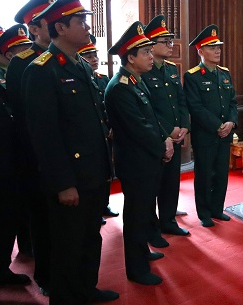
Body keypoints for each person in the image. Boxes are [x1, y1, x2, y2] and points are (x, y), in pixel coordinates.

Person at [23, 0, 118, 303]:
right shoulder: (42, 70)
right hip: (71, 178)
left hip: (93, 172)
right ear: (60, 28)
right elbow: (45, 135)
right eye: (80, 22)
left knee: (91, 237)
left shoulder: (79, 65)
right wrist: (63, 183)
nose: (87, 27)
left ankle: (86, 290)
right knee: (67, 244)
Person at [104, 21, 174, 286]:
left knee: (144, 212)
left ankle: (142, 252)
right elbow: (139, 129)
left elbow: (151, 119)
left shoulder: (135, 81)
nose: (150, 56)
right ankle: (136, 269)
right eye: (145, 52)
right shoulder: (120, 87)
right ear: (130, 57)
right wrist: (162, 147)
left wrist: (166, 139)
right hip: (136, 164)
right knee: (136, 215)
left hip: (147, 160)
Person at [7, 0, 57, 296]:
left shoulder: (64, 57)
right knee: (42, 218)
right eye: (48, 20)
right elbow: (24, 116)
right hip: (37, 156)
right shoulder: (22, 62)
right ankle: (46, 276)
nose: (56, 23)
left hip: (65, 154)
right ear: (34, 28)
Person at [184, 24, 238, 228]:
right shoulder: (193, 76)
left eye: (218, 47)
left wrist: (231, 122)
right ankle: (204, 212)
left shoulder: (224, 73)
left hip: (225, 133)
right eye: (212, 47)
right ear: (200, 51)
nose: (217, 51)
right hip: (206, 135)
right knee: (205, 174)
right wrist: (218, 126)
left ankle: (217, 208)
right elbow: (195, 108)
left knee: (221, 173)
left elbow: (232, 102)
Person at [142, 15, 190, 238]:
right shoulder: (144, 71)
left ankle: (169, 220)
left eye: (171, 41)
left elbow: (181, 100)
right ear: (151, 45)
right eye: (165, 41)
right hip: (157, 137)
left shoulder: (171, 69)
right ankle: (152, 227)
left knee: (172, 182)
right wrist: (167, 132)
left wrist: (184, 126)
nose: (171, 45)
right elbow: (148, 109)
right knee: (153, 184)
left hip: (176, 134)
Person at [0, 24, 31, 287]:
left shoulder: (16, 75)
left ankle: (2, 268)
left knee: (11, 214)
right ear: (9, 54)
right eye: (23, 50)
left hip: (13, 159)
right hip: (3, 160)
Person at [77, 35, 119, 226]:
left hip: (107, 132)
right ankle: (95, 208)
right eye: (88, 56)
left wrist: (112, 126)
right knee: (95, 172)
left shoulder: (103, 79)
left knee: (107, 170)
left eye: (95, 55)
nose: (94, 59)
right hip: (93, 134)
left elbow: (109, 107)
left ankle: (104, 203)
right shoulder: (81, 80)